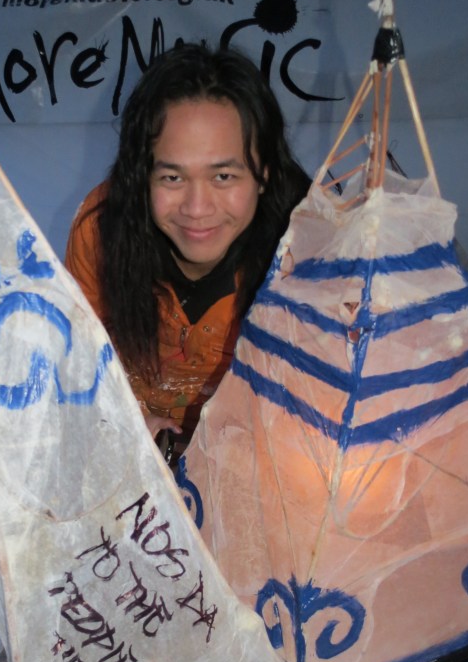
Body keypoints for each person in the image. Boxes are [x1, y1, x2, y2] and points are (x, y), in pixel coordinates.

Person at [65, 43, 309, 444]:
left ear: (264, 173)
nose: (197, 209)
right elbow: (72, 358)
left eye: (223, 177)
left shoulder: (310, 252)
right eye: (172, 178)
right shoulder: (101, 230)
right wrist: (123, 422)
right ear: (142, 175)